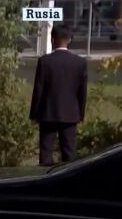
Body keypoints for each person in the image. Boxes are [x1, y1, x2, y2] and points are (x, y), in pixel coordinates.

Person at [30, 24, 88, 165]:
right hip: (70, 114)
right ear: (70, 39)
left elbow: (39, 90)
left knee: (46, 152)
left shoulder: (45, 61)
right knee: (69, 153)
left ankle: (46, 175)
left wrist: (35, 114)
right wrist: (80, 114)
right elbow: (82, 92)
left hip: (48, 113)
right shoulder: (80, 63)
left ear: (52, 39)